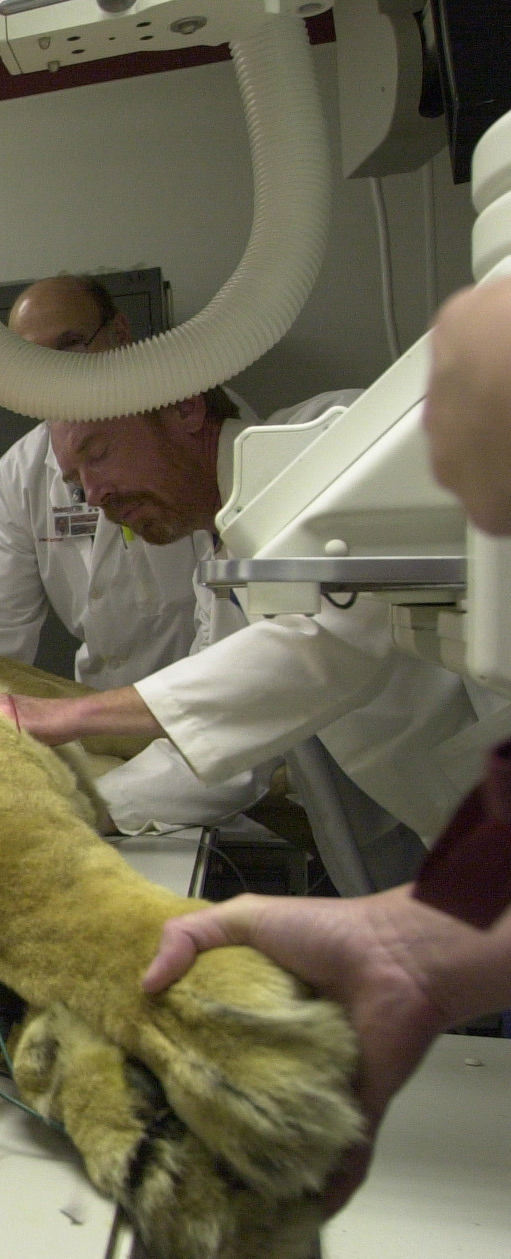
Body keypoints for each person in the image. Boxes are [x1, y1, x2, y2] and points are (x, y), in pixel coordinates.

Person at [141, 275, 511, 1208]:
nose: (94, 492)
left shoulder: (326, 449)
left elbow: (314, 653)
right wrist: (419, 945)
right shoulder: (237, 529)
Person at [0, 382, 503, 857]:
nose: (96, 496)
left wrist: (66, 716)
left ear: (184, 407)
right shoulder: (221, 556)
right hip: (459, 819)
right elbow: (230, 745)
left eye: (98, 454)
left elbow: (321, 641)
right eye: (77, 484)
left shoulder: (334, 440)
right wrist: (82, 805)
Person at [0, 276, 258, 691]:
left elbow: (231, 617)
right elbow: (1, 620)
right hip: (112, 696)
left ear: (119, 333)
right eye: (32, 358)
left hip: (203, 682)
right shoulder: (22, 470)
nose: (52, 371)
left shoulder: (192, 426)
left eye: (69, 346)